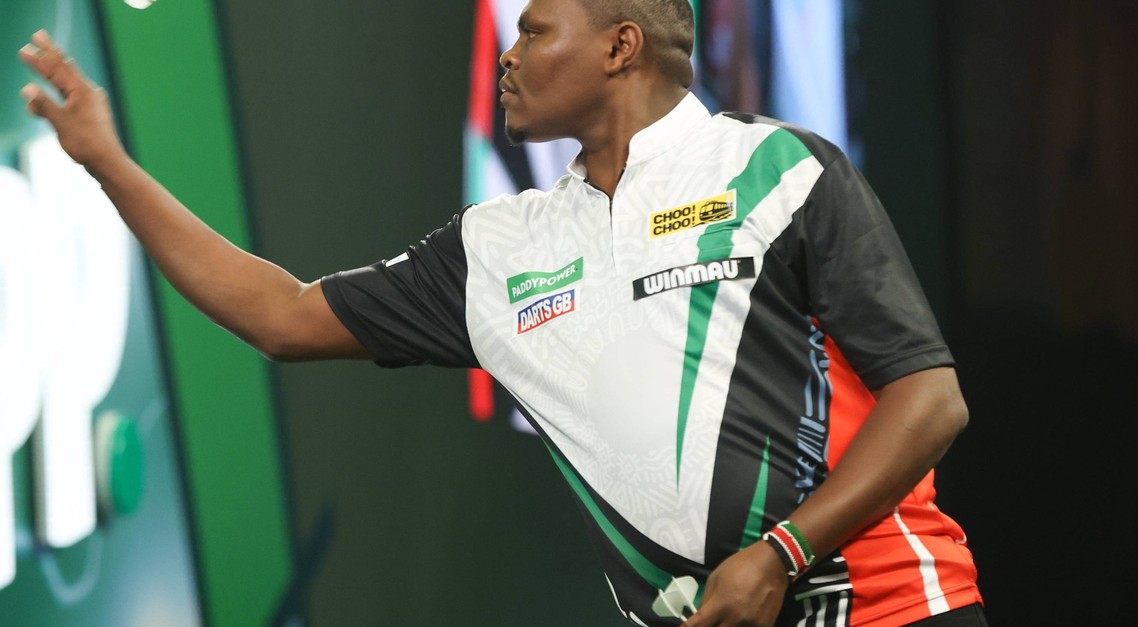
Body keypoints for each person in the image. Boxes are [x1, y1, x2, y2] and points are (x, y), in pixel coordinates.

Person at [18, 0, 985, 624]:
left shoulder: (781, 170)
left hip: (893, 604)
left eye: (533, 33)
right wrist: (109, 164)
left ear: (620, 46)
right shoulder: (499, 248)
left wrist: (781, 554)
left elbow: (932, 400)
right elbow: (280, 314)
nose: (508, 59)